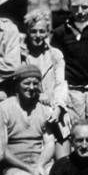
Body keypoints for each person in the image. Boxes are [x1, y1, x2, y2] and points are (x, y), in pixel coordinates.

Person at [0, 65, 56, 175]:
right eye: (26, 83)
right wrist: (30, 169)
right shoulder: (3, 109)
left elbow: (49, 143)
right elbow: (2, 150)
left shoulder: (44, 109)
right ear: (17, 85)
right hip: (13, 166)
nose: (31, 87)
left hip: (39, 163)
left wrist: (39, 165)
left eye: (35, 83)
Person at [22, 8, 71, 159]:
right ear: (28, 32)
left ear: (48, 32)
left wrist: (58, 107)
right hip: (30, 110)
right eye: (34, 31)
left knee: (63, 159)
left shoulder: (55, 54)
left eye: (42, 31)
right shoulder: (20, 55)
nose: (38, 36)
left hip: (54, 109)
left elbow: (61, 84)